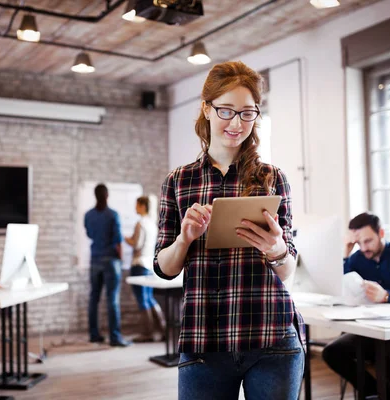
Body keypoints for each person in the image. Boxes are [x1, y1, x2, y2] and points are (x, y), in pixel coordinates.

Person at [154, 61, 305, 400]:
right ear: (207, 109)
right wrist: (184, 238)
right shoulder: (178, 181)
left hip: (272, 336)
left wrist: (277, 248)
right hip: (204, 342)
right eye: (226, 111)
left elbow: (288, 269)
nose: (237, 123)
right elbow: (164, 268)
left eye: (247, 113)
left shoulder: (272, 178)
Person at [322, 212, 390, 398]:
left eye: (368, 241)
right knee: (332, 352)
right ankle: (372, 393)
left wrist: (387, 296)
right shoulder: (357, 258)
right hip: (371, 331)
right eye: (358, 243)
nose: (364, 248)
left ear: (381, 233)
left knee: (389, 359)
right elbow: (338, 287)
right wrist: (346, 253)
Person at [84, 184, 131, 347]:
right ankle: (115, 337)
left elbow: (89, 234)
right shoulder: (113, 215)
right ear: (107, 195)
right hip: (111, 260)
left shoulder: (88, 215)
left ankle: (94, 335)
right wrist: (121, 259)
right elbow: (118, 240)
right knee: (112, 299)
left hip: (95, 259)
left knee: (93, 298)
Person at [125, 196, 166, 342]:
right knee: (149, 298)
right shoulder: (152, 224)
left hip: (139, 265)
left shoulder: (140, 224)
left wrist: (126, 238)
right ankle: (162, 329)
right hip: (149, 265)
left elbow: (136, 245)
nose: (135, 207)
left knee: (142, 300)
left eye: (137, 205)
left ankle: (148, 333)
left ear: (142, 206)